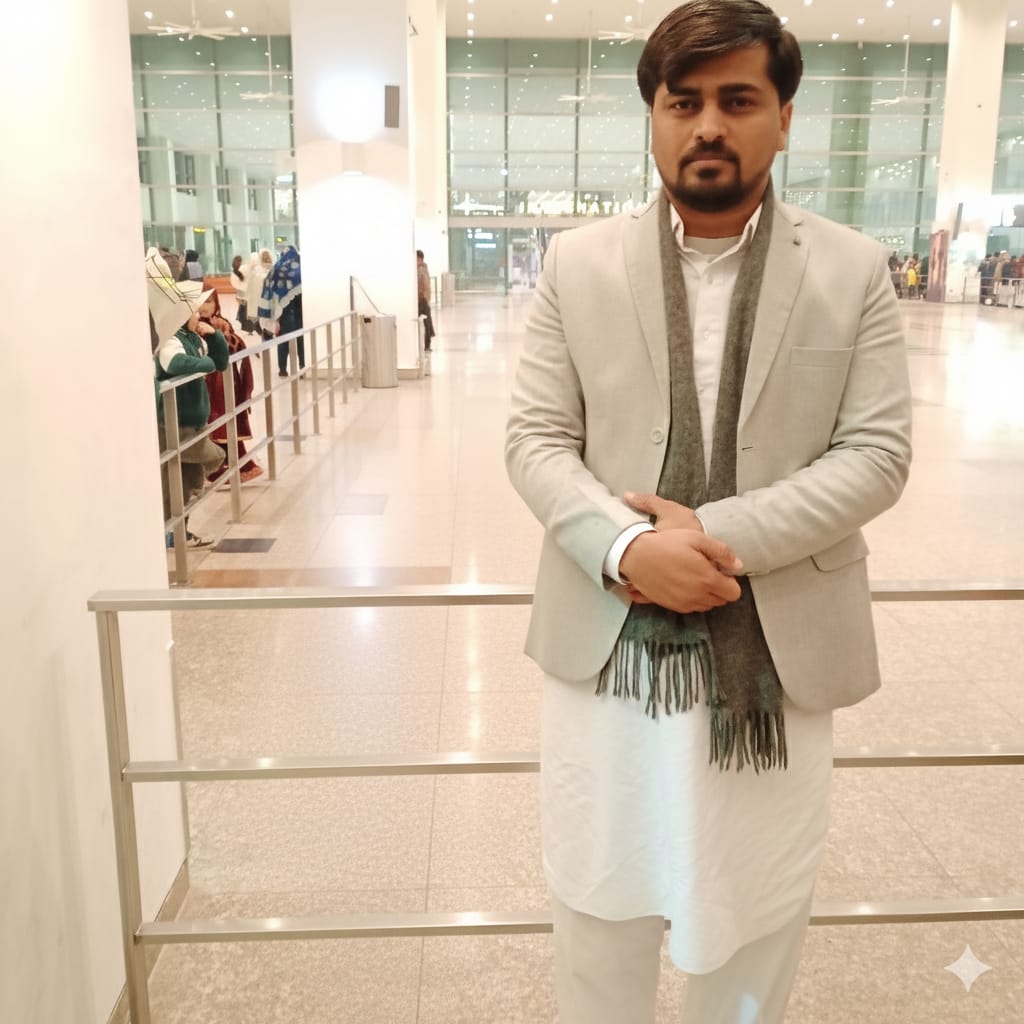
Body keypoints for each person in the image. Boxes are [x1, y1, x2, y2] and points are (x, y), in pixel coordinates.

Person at [504, 4, 913, 1023]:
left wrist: (708, 538)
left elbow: (877, 454)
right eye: (682, 102)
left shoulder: (851, 268)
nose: (708, 126)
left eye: (738, 99)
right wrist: (627, 548)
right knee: (599, 907)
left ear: (784, 117)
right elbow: (536, 440)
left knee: (753, 916)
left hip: (774, 651)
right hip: (611, 647)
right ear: (653, 117)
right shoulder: (577, 264)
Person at [147, 248, 230, 548]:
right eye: (194, 311)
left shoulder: (193, 337)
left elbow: (221, 362)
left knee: (189, 480)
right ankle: (171, 532)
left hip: (194, 421)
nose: (200, 314)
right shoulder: (171, 339)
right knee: (207, 461)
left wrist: (214, 336)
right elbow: (174, 364)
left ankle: (179, 533)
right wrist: (205, 364)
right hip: (175, 422)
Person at [196, 291, 263, 483]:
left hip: (224, 384)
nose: (204, 307)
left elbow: (233, 348)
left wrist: (218, 333)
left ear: (216, 304)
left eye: (209, 302)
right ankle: (219, 468)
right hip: (205, 383)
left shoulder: (221, 323)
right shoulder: (193, 326)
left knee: (226, 422)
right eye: (200, 302)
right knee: (214, 425)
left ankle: (236, 465)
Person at [258, 244, 304, 377]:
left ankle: (282, 369)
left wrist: (269, 312)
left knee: (283, 340)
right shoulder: (302, 267)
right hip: (301, 309)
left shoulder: (277, 269)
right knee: (301, 340)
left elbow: (268, 287)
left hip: (284, 312)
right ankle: (302, 367)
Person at [244, 249, 273, 333]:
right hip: (259, 300)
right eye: (264, 256)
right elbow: (250, 285)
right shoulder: (256, 270)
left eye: (267, 256)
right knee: (262, 324)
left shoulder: (274, 268)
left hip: (271, 301)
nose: (266, 258)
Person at [416, 249, 435, 351]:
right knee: (427, 322)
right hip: (423, 299)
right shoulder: (424, 269)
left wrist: (425, 298)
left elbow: (425, 286)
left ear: (419, 259)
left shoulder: (421, 270)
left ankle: (427, 345)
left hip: (422, 299)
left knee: (426, 323)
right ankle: (427, 345)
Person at [230, 254, 248, 331]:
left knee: (242, 308)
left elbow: (234, 283)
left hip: (239, 292)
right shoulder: (244, 269)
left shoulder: (235, 271)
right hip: (246, 292)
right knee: (246, 309)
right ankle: (247, 326)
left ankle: (243, 324)